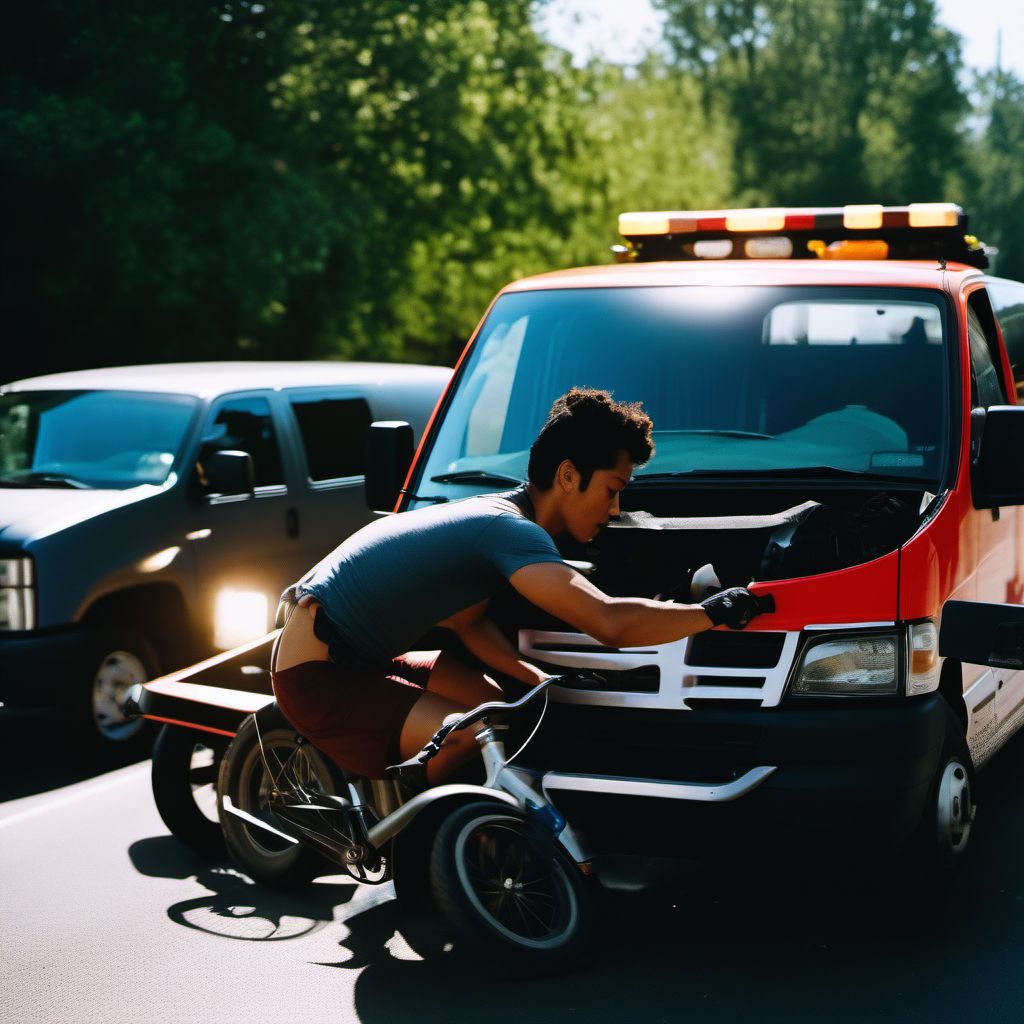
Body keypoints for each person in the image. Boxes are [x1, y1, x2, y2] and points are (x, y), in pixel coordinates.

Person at [272, 387, 767, 784]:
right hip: (319, 675)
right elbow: (609, 622)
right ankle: (414, 825)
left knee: (492, 703)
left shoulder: (496, 517)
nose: (614, 511)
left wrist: (538, 681)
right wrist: (714, 612)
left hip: (360, 656)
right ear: (569, 475)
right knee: (472, 733)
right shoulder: (510, 530)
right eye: (612, 490)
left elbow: (469, 624)